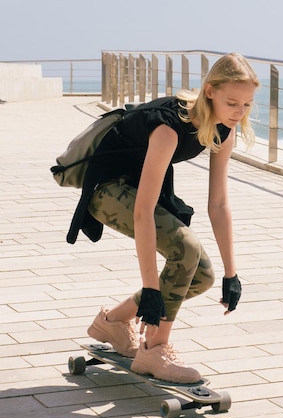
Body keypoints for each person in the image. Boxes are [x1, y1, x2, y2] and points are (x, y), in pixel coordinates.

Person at [66, 53, 259, 383]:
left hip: (138, 189)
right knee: (186, 249)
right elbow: (142, 211)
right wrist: (151, 288)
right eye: (232, 103)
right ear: (210, 91)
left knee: (202, 276)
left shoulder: (224, 130)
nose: (239, 113)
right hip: (106, 189)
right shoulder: (170, 126)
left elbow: (219, 203)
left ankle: (111, 322)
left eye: (247, 105)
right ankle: (154, 350)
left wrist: (232, 273)